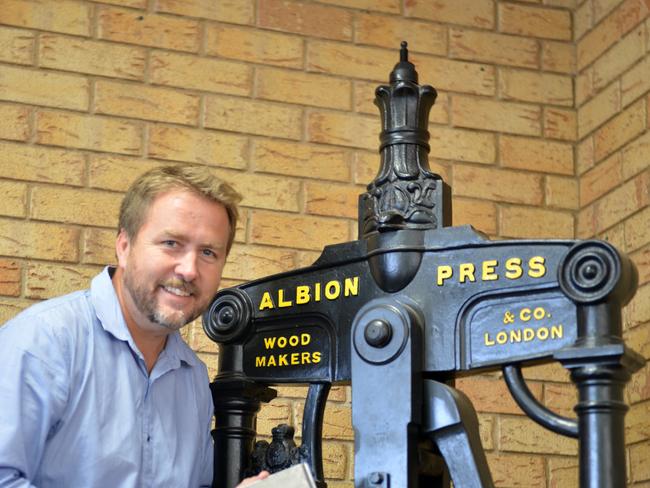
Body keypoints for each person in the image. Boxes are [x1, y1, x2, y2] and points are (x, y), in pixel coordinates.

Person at [0, 165, 269, 487]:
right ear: (124, 246)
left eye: (208, 252)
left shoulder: (192, 377)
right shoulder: (42, 342)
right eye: (171, 243)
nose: (189, 269)